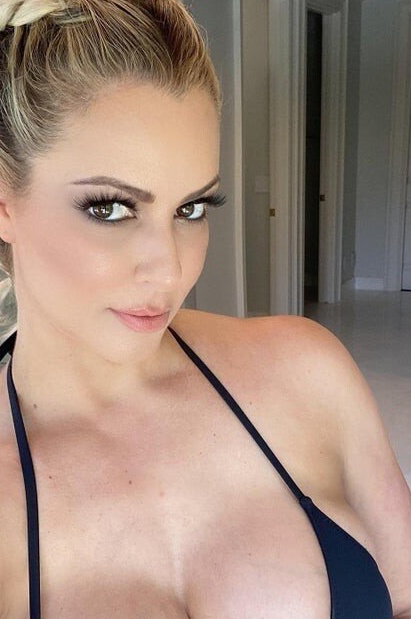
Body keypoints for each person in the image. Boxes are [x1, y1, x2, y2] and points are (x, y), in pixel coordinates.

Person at [0, 1, 409, 618]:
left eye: (191, 209)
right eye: (110, 208)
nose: (171, 271)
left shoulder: (307, 370)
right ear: (5, 205)